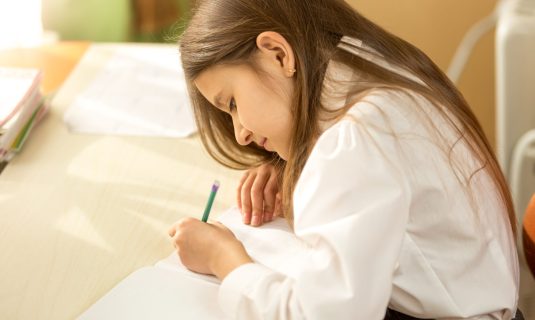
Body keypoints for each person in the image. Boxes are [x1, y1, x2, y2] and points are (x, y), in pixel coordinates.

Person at [167, 0, 522, 319]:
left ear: (278, 53)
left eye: (231, 103)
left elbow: (322, 314)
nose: (240, 132)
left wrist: (223, 257)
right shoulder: (363, 64)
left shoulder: (353, 140)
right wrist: (293, 167)